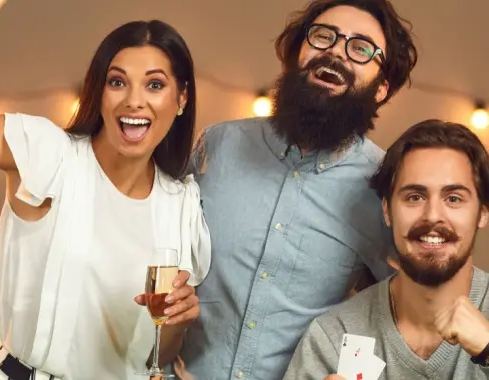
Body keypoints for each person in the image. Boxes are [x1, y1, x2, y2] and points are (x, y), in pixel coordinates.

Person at [0, 1, 210, 378]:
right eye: (117, 82)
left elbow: (155, 352)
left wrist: (176, 321)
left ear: (181, 99)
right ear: (99, 91)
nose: (134, 100)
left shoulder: (181, 206)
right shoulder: (47, 153)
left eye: (154, 84)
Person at [178, 0, 418, 378]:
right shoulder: (217, 146)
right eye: (323, 36)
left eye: (360, 48)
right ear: (295, 55)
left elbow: (408, 312)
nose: (336, 51)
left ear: (380, 88)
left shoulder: (387, 184)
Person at [283, 120, 489, 380]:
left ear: (482, 212)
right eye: (415, 196)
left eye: (454, 198)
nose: (433, 216)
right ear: (387, 210)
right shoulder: (335, 333)